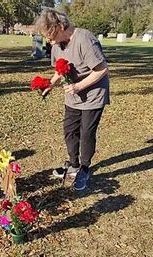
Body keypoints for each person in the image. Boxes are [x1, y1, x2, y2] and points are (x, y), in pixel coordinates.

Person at [35, 8, 110, 191]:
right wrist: (50, 84)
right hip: (73, 97)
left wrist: (78, 86)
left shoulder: (84, 39)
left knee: (86, 133)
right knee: (69, 131)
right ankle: (73, 164)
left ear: (60, 26)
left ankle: (84, 168)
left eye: (50, 35)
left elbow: (101, 69)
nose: (48, 40)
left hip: (93, 94)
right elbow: (60, 69)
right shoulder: (57, 44)